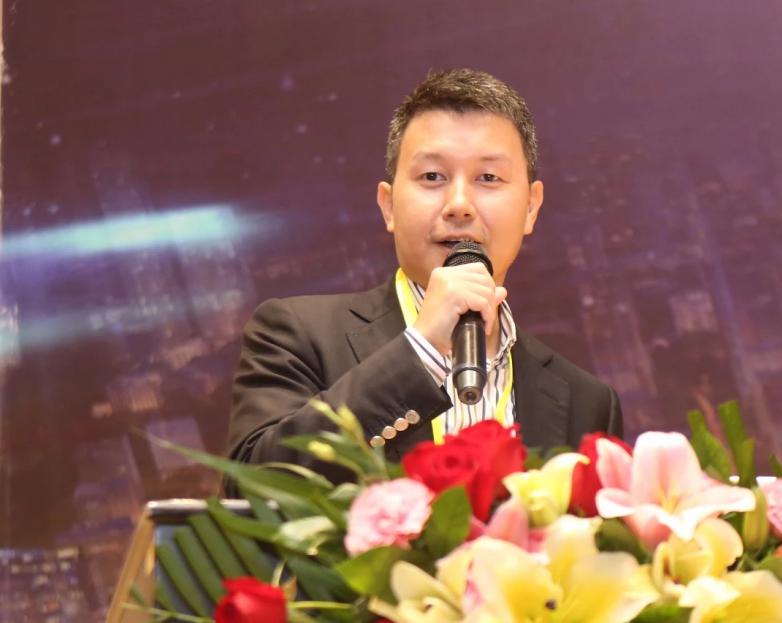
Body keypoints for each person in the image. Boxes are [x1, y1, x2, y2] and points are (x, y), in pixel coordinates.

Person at [226, 69, 622, 485]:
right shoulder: (298, 334)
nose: (459, 204)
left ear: (531, 208)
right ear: (388, 206)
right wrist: (420, 350)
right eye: (432, 177)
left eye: (488, 178)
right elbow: (250, 489)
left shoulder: (587, 402)